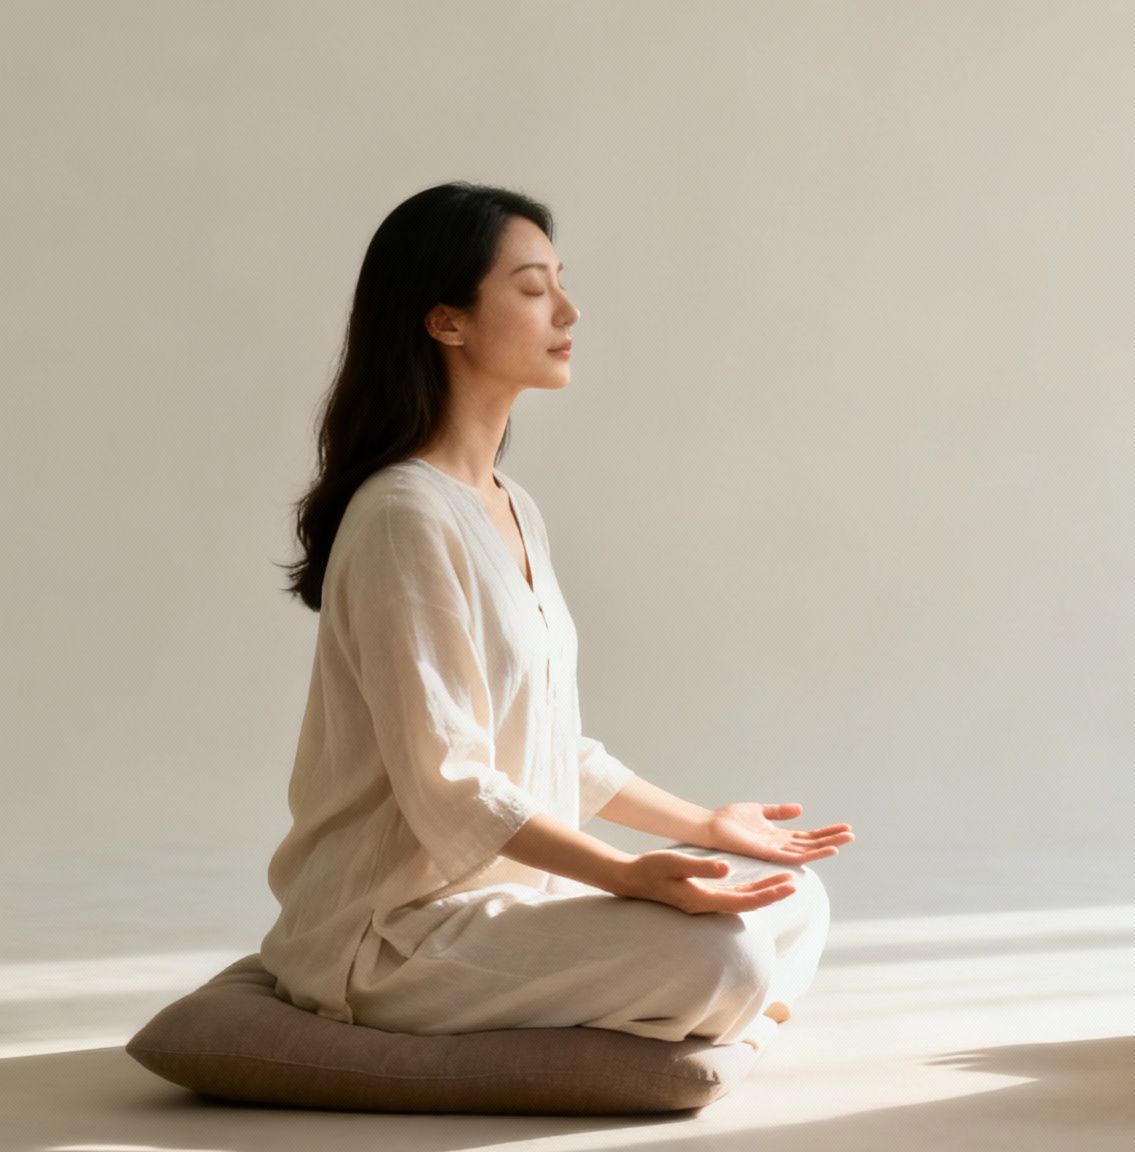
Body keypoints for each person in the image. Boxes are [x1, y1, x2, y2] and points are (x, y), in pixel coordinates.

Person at [263, 182, 853, 1051]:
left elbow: (546, 747)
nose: (567, 309)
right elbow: (451, 782)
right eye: (533, 288)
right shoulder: (402, 514)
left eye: (559, 283)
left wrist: (703, 826)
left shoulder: (510, 504)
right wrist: (627, 877)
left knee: (795, 897)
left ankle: (701, 1008)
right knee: (725, 958)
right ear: (446, 321)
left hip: (516, 903)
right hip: (396, 934)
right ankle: (718, 1009)